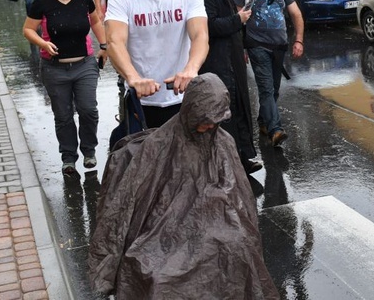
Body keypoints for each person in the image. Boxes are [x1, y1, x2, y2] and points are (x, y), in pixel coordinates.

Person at [88, 73, 279, 299]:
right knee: (157, 269)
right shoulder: (159, 144)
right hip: (165, 223)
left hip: (217, 215)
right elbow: (129, 200)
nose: (208, 127)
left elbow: (238, 194)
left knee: (236, 245)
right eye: (204, 121)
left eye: (214, 122)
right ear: (190, 112)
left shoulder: (223, 141)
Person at [104, 0, 209, 128]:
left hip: (183, 95)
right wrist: (134, 78)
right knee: (146, 156)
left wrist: (191, 70)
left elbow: (200, 35)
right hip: (142, 99)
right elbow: (114, 42)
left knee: (187, 156)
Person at [22, 0, 107, 175]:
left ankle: (89, 151)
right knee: (63, 115)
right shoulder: (43, 3)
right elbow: (28, 30)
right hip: (54, 68)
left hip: (84, 64)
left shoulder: (83, 0)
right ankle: (68, 157)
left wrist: (104, 46)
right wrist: (43, 43)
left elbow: (96, 22)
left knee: (88, 109)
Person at [194, 0, 261, 174]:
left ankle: (242, 157)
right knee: (224, 110)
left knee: (239, 106)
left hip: (231, 56)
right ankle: (226, 162)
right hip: (217, 60)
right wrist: (238, 19)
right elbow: (209, 26)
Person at [233, 0, 304, 147]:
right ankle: (276, 130)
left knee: (273, 90)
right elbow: (237, 22)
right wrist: (242, 48)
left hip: (279, 46)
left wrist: (298, 40)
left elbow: (295, 14)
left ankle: (263, 122)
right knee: (265, 88)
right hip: (257, 45)